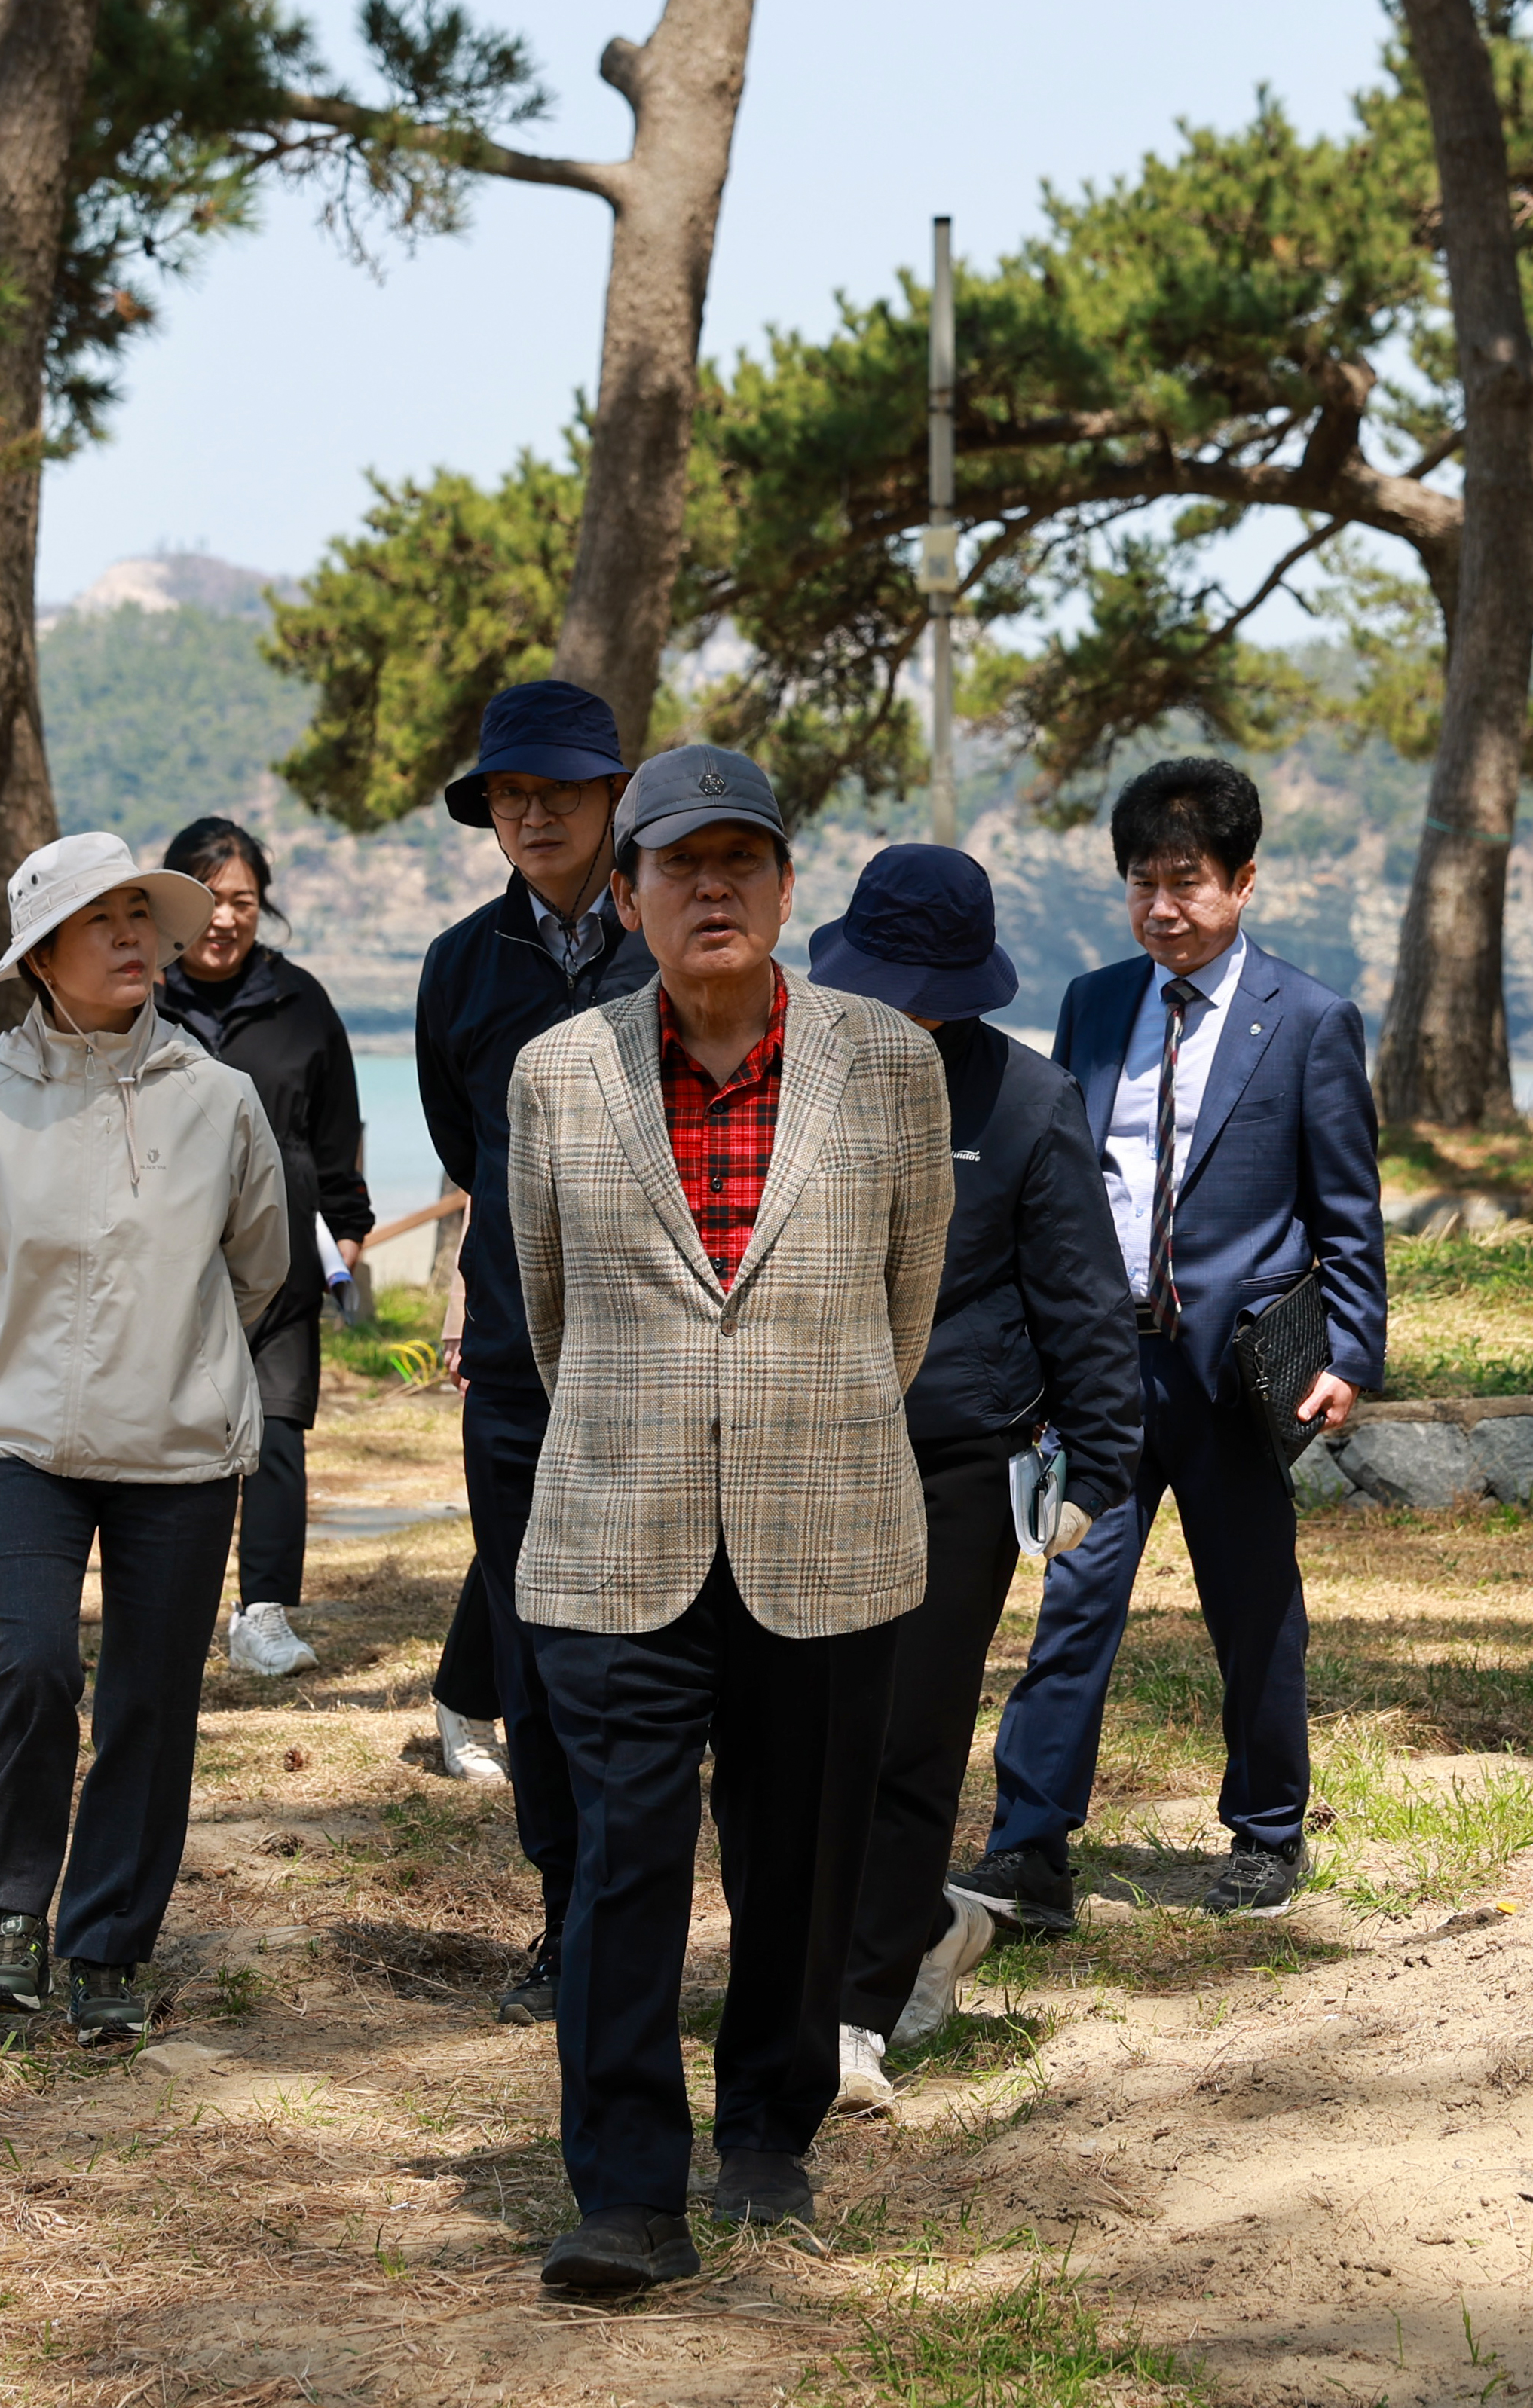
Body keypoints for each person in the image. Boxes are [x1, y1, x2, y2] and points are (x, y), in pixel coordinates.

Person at [505, 744, 953, 2295]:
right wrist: (661, 1430)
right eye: (679, 864)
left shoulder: (891, 1063)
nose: (714, 887)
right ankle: (626, 2191)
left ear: (784, 884)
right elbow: (552, 1323)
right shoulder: (558, 1076)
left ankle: (769, 2128)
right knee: (620, 1867)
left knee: (802, 1857)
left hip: (826, 1523)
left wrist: (790, 1421)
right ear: (623, 897)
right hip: (612, 1535)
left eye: (741, 860)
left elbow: (908, 1311)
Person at [949, 756, 1384, 1931]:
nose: (1161, 908)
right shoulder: (1094, 1003)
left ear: (1244, 882)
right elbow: (1055, 1175)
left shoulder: (1309, 1021)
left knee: (1253, 1605)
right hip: (1102, 1371)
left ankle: (1266, 1835)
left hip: (1241, 1375)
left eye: (1186, 881)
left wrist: (1351, 1352)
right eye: (1141, 882)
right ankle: (1030, 1850)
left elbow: (1348, 1210)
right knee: (1074, 1600)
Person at [0, 832, 289, 2046]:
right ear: (42, 959)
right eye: (97, 922)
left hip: (181, 1446)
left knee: (151, 1703)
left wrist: (185, 1351)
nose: (130, 940)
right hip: (20, 1442)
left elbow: (259, 1269)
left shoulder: (220, 1100)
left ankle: (109, 1943)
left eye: (140, 919)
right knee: (38, 1667)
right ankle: (12, 1913)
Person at [800, 845, 1141, 2113]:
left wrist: (1097, 1467)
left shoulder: (1025, 1103)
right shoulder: (798, 1079)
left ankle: (853, 2011)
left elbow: (1084, 1298)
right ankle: (918, 1929)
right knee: (795, 1730)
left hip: (954, 1459)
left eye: (919, 986)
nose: (895, 1005)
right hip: (804, 1450)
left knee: (909, 1739)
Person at [409, 678, 651, 2024]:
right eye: (510, 795)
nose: (534, 814)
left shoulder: (672, 940)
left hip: (664, 1363)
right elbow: (468, 1148)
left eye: (562, 790)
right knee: (536, 1651)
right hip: (513, 1368)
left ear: (617, 797)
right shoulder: (461, 964)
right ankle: (569, 1919)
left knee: (665, 1650)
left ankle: (657, 1905)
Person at [153, 812, 375, 1681]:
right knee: (172, 1440)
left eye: (242, 899)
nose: (224, 916)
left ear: (263, 907)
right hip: (166, 1264)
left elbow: (332, 1131)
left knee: (278, 1435)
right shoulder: (142, 998)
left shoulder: (302, 1002)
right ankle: (169, 1606)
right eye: (206, 897)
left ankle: (264, 1614)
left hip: (281, 1261)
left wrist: (348, 1231)